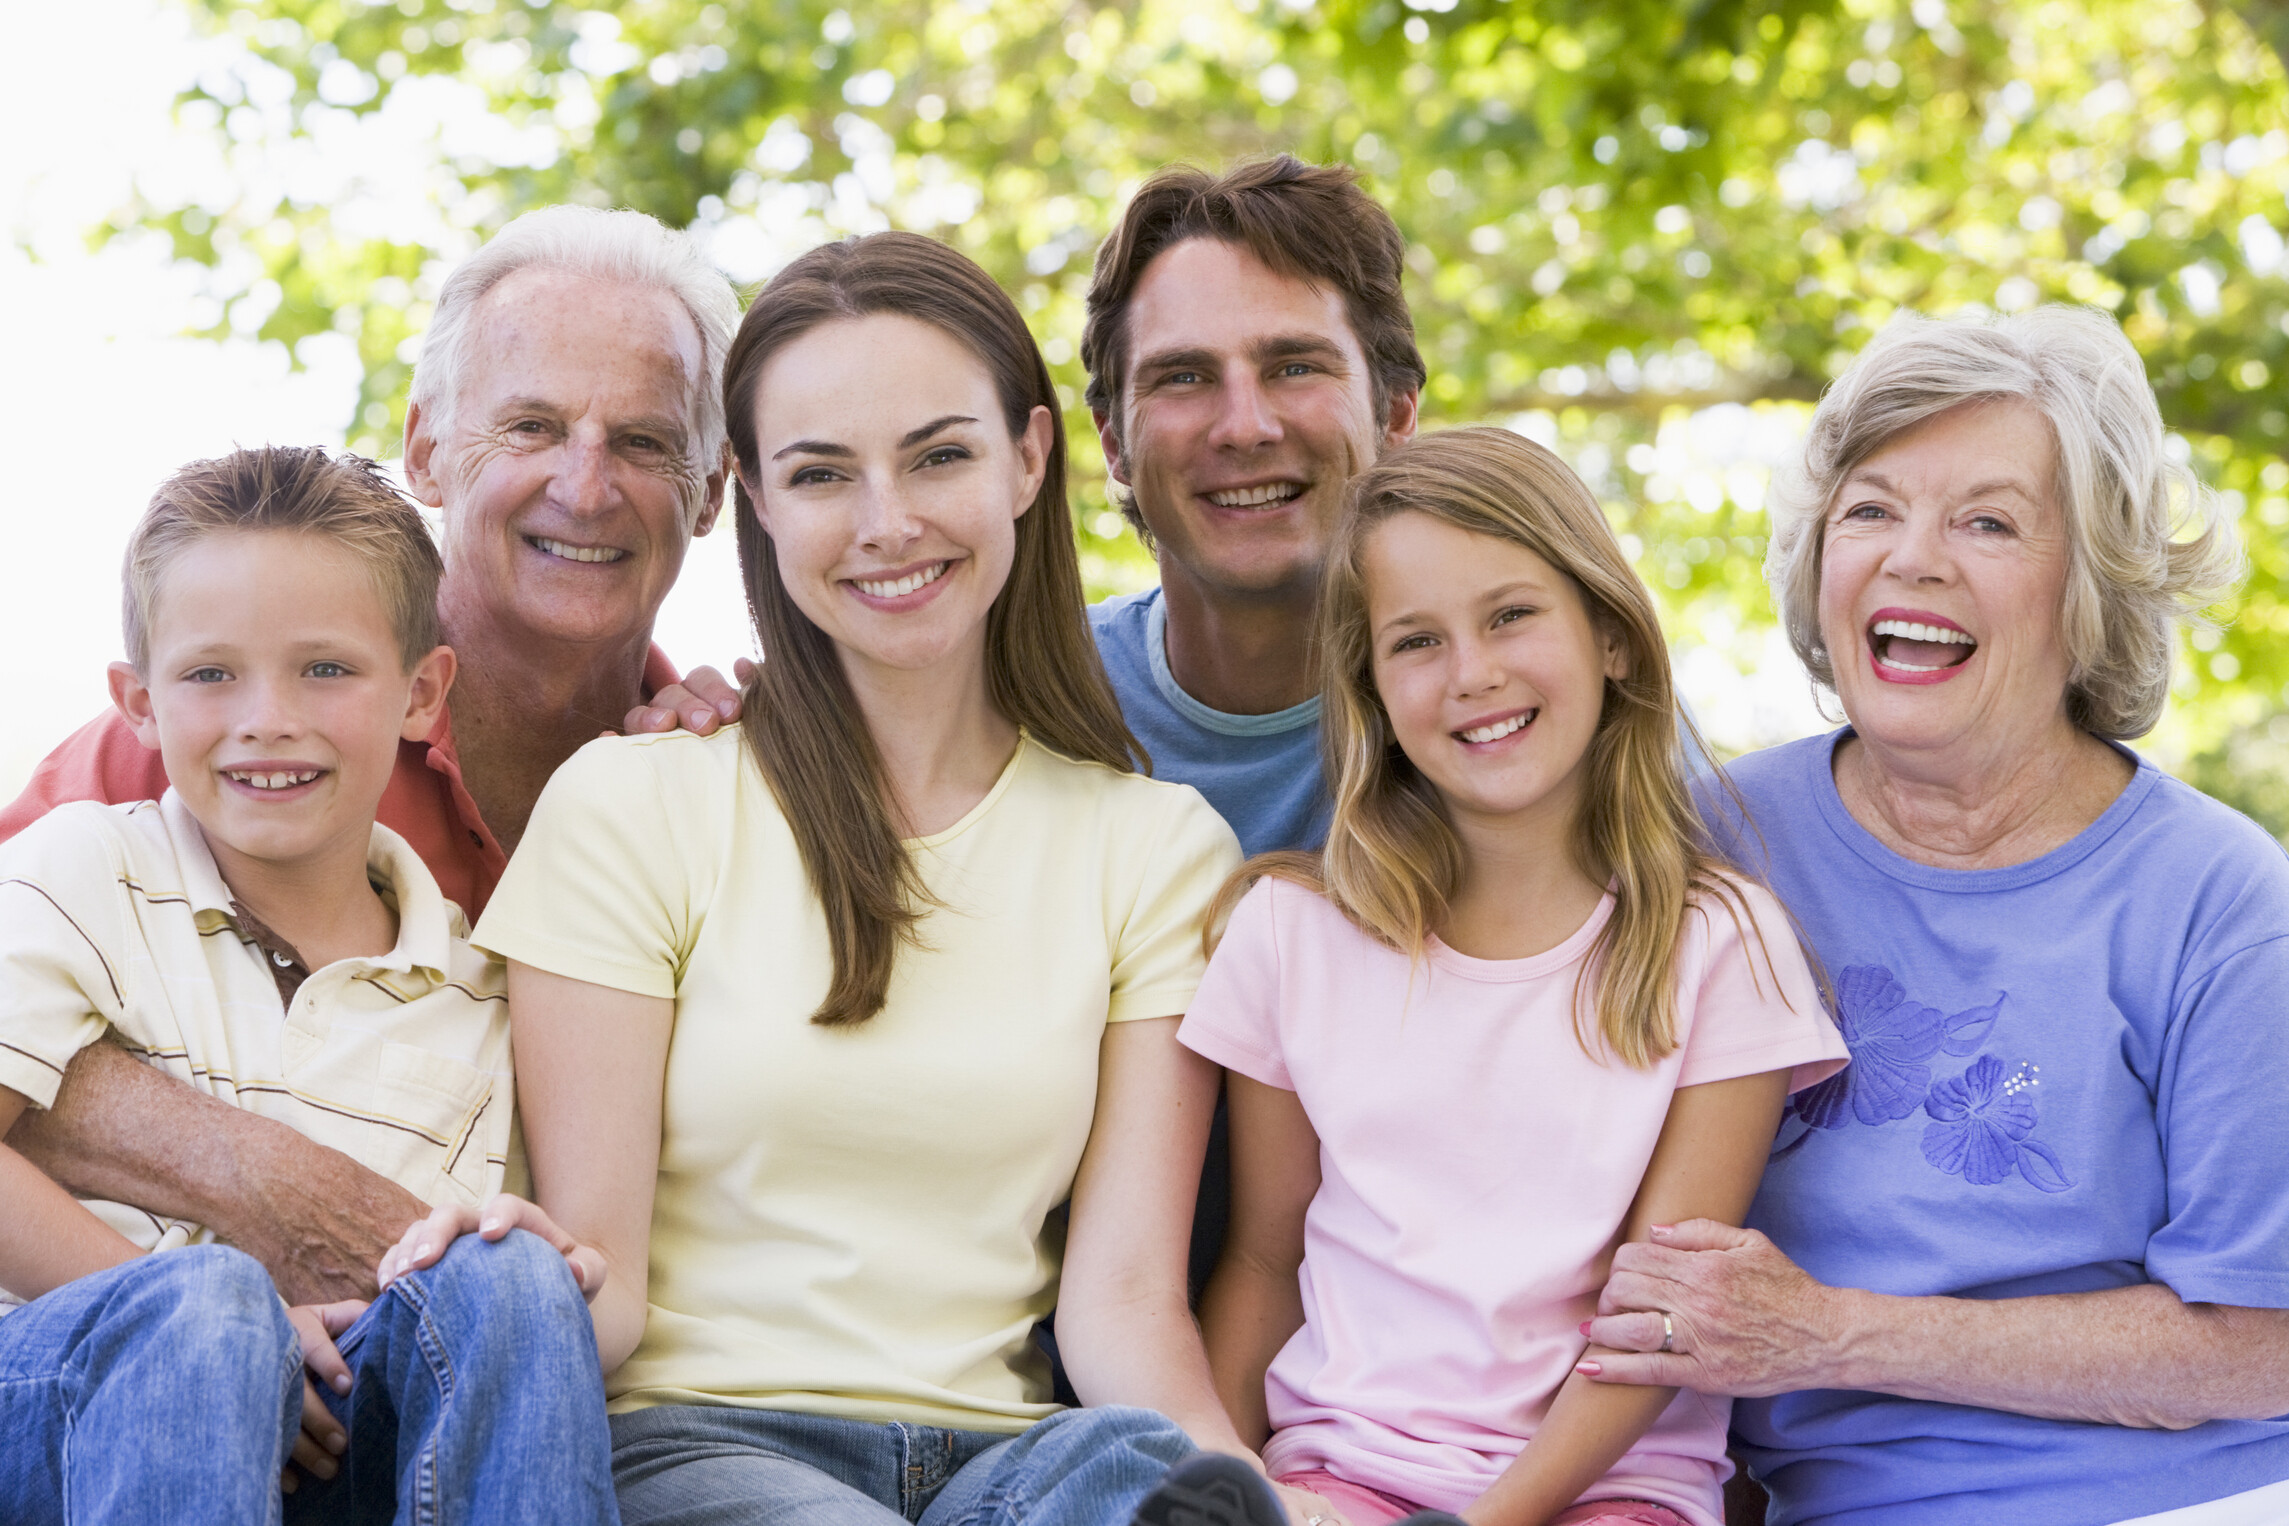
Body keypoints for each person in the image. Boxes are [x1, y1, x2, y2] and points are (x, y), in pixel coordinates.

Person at [375, 230, 1267, 1526]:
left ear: (1028, 457)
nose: (886, 521)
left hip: (1015, 1465)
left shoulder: (1157, 848)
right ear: (755, 497)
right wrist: (491, 1277)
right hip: (699, 1447)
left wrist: (1257, 1485)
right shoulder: (636, 804)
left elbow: (1124, 1303)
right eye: (821, 472)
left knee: (1136, 1478)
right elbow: (601, 1279)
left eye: (939, 455)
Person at [1583, 307, 2289, 1525]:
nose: (1914, 559)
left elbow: (2259, 1343)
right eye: (1871, 509)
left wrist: (1830, 1333)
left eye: (1989, 521)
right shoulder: (1704, 844)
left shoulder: (2220, 899)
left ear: (2090, 586)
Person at [2, 205, 741, 1307]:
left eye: (643, 441)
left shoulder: (723, 794)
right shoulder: (205, 746)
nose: (586, 488)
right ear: (426, 450)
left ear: (714, 488)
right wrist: (268, 1180)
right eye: (530, 426)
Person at [1153, 429, 1843, 1526]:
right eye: (1416, 641)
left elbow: (1657, 1321)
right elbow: (1264, 1260)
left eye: (1511, 614)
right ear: (1373, 691)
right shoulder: (1291, 933)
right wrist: (1240, 1471)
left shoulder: (1720, 944)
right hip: (1344, 1473)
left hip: (1610, 1489)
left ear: (1611, 638)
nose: (1471, 673)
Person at [0, 446, 616, 1524]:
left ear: (422, 693)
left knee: (509, 1270)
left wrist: (515, 1251)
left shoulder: (481, 988)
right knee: (208, 1309)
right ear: (137, 702)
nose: (267, 717)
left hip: (333, 1441)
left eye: (325, 669)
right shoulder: (83, 868)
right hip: (66, 1406)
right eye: (210, 674)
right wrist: (240, 1329)